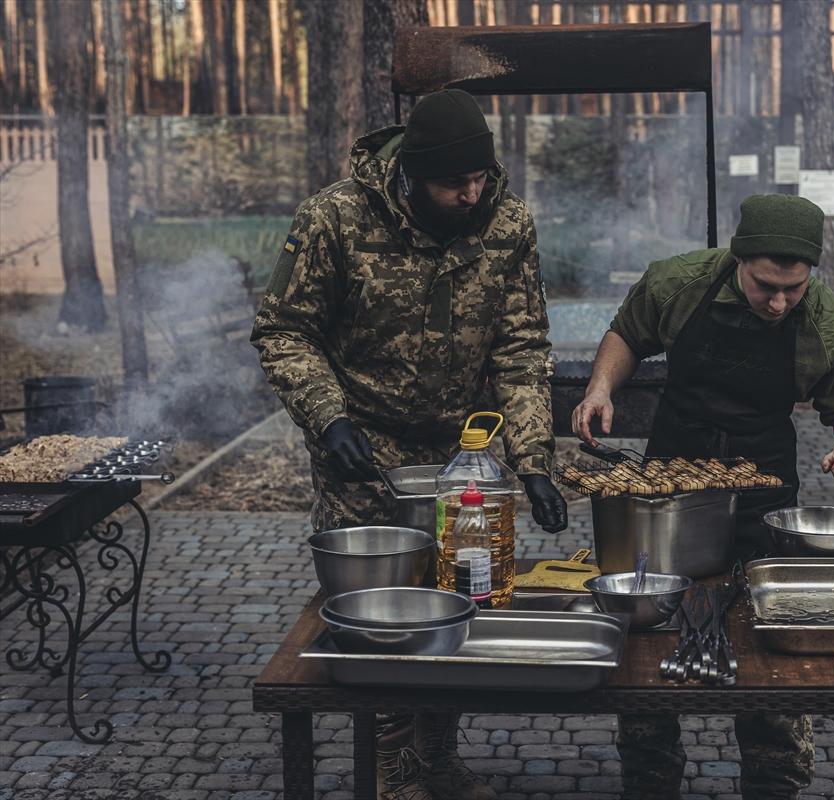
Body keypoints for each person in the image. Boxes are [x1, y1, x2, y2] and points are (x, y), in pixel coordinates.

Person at [252, 89, 567, 800]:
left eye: (480, 178)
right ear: (412, 176)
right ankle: (391, 770)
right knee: (382, 618)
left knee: (458, 605)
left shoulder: (508, 223)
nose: (471, 194)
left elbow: (521, 347)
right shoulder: (335, 219)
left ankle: (436, 758)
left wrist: (533, 461)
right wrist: (329, 419)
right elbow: (284, 331)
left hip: (462, 455)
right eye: (454, 182)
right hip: (364, 448)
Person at [571, 194, 834, 799]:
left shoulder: (827, 324)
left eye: (793, 289)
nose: (779, 302)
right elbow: (626, 333)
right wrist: (601, 388)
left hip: (762, 486)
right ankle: (650, 775)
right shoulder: (680, 284)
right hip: (670, 480)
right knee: (647, 630)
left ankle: (774, 780)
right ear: (739, 260)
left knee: (769, 633)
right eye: (766, 286)